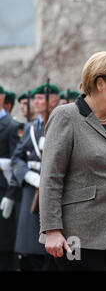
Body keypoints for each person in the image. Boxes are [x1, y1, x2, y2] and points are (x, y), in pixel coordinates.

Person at [38, 51, 106, 271]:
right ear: (100, 83)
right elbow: (51, 177)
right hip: (76, 234)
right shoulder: (66, 116)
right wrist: (51, 230)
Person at [7, 83, 60, 271]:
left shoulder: (62, 123)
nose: (35, 102)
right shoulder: (30, 128)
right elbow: (17, 159)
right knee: (30, 251)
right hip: (33, 192)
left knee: (53, 255)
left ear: (52, 101)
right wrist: (28, 175)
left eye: (39, 99)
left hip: (54, 192)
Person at [0, 85, 21, 270]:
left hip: (3, 190)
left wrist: (11, 194)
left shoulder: (12, 126)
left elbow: (17, 163)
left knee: (5, 246)